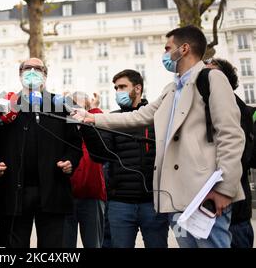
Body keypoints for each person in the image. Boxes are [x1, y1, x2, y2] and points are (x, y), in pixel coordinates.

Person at [73, 25, 245, 248]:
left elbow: (231, 136)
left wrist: (224, 189)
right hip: (177, 195)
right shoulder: (171, 89)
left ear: (184, 49)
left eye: (167, 48)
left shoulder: (212, 78)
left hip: (205, 193)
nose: (164, 54)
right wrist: (92, 118)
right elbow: (139, 116)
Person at [0, 57, 82, 248]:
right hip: (14, 192)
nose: (32, 72)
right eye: (28, 68)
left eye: (38, 69)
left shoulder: (60, 104)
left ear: (45, 75)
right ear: (20, 74)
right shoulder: (5, 105)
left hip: (52, 189)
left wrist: (70, 160)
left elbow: (75, 143)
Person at [81, 70, 169, 248]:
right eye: (115, 88)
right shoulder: (111, 119)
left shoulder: (157, 118)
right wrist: (88, 127)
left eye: (122, 87)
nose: (117, 92)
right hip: (120, 203)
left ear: (138, 88)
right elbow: (100, 155)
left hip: (153, 203)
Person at [204, 58, 254, 248]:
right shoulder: (205, 107)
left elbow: (240, 156)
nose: (203, 79)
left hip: (234, 210)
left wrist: (223, 190)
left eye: (209, 74)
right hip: (209, 208)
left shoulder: (238, 109)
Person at [63, 91, 106, 248]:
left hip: (92, 195)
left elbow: (102, 126)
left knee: (93, 243)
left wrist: (94, 109)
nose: (77, 108)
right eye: (73, 104)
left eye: (82, 105)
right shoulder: (65, 125)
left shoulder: (92, 123)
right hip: (67, 196)